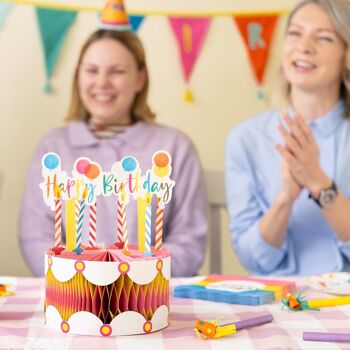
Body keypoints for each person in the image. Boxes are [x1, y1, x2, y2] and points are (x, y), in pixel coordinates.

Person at [19, 28, 208, 277]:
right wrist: (83, 279)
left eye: (117, 71)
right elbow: (35, 237)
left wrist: (127, 279)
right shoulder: (53, 149)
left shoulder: (174, 149)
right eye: (91, 70)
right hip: (74, 299)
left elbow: (189, 242)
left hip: (147, 299)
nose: (102, 82)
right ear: (78, 77)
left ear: (140, 79)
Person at [225, 0, 350, 276]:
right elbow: (252, 259)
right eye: (295, 33)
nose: (303, 46)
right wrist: (286, 197)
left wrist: (317, 181)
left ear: (347, 54)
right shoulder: (245, 139)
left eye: (325, 37)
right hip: (278, 302)